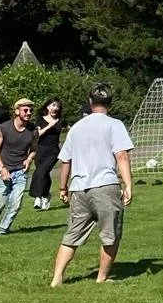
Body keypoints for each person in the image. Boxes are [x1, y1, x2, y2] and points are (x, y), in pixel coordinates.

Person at [51, 83, 134, 287]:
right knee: (110, 234)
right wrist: (129, 185)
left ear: (90, 102)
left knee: (72, 235)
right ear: (110, 103)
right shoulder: (114, 125)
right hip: (105, 185)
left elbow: (65, 161)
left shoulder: (76, 128)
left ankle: (57, 278)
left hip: (78, 188)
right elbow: (122, 155)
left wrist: (63, 188)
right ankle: (101, 277)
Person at [0, 98, 37, 235]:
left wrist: (29, 159)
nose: (28, 113)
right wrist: (2, 168)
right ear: (17, 111)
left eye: (30, 110)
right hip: (3, 171)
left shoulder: (33, 130)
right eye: (25, 110)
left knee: (16, 204)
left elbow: (34, 149)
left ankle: (3, 229)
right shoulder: (4, 128)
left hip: (20, 171)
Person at [29, 97, 65, 210]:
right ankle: (46, 195)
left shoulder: (61, 120)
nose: (55, 108)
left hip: (53, 151)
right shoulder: (40, 119)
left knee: (41, 171)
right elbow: (37, 134)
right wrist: (49, 126)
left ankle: (38, 197)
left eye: (57, 106)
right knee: (44, 173)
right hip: (40, 149)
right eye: (53, 105)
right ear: (48, 107)